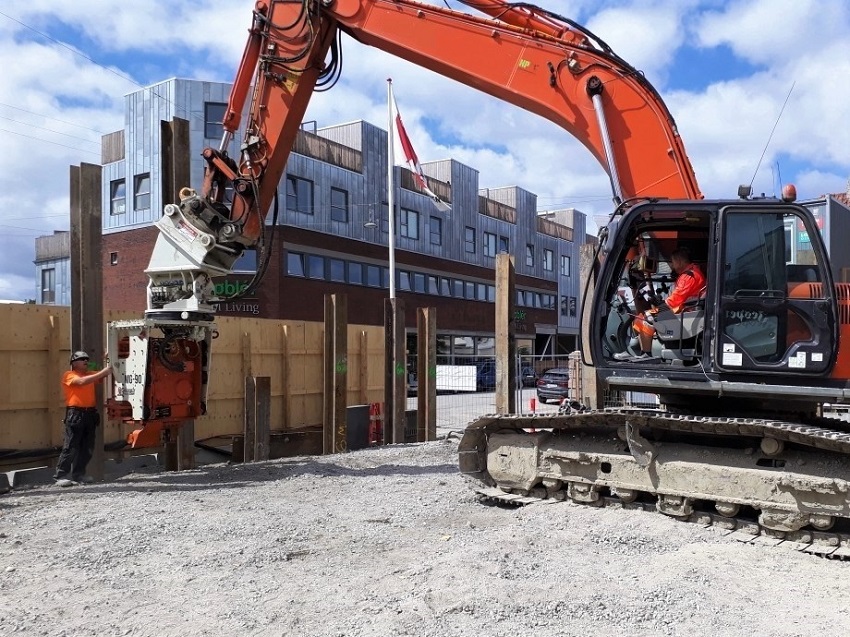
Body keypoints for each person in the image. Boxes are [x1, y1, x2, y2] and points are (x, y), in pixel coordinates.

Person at [615, 247, 706, 361]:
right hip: (683, 311)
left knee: (647, 317)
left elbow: (675, 300)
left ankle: (646, 354)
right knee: (641, 317)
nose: (672, 266)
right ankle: (639, 351)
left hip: (683, 313)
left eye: (673, 262)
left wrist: (661, 303)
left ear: (679, 261)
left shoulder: (689, 276)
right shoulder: (691, 273)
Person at [54, 350, 113, 487]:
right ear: (73, 363)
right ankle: (60, 475)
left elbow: (100, 373)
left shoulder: (91, 374)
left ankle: (78, 474)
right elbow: (81, 382)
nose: (85, 361)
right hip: (76, 414)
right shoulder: (69, 375)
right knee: (71, 446)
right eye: (82, 359)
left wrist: (107, 359)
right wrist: (103, 371)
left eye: (87, 359)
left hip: (89, 414)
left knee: (87, 447)